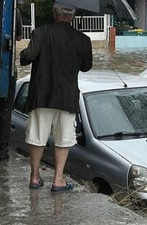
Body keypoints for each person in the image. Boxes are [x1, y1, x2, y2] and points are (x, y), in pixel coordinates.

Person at [20, 2, 92, 192]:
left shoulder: (40, 32)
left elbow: (28, 56)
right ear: (72, 17)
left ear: (54, 13)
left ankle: (35, 178)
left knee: (37, 137)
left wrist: (22, 54)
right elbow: (86, 67)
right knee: (64, 139)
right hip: (66, 97)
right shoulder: (83, 39)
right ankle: (58, 179)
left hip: (41, 96)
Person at [0, 8, 23, 161]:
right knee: (5, 112)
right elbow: (19, 37)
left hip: (7, 69)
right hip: (6, 68)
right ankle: (2, 151)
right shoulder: (13, 11)